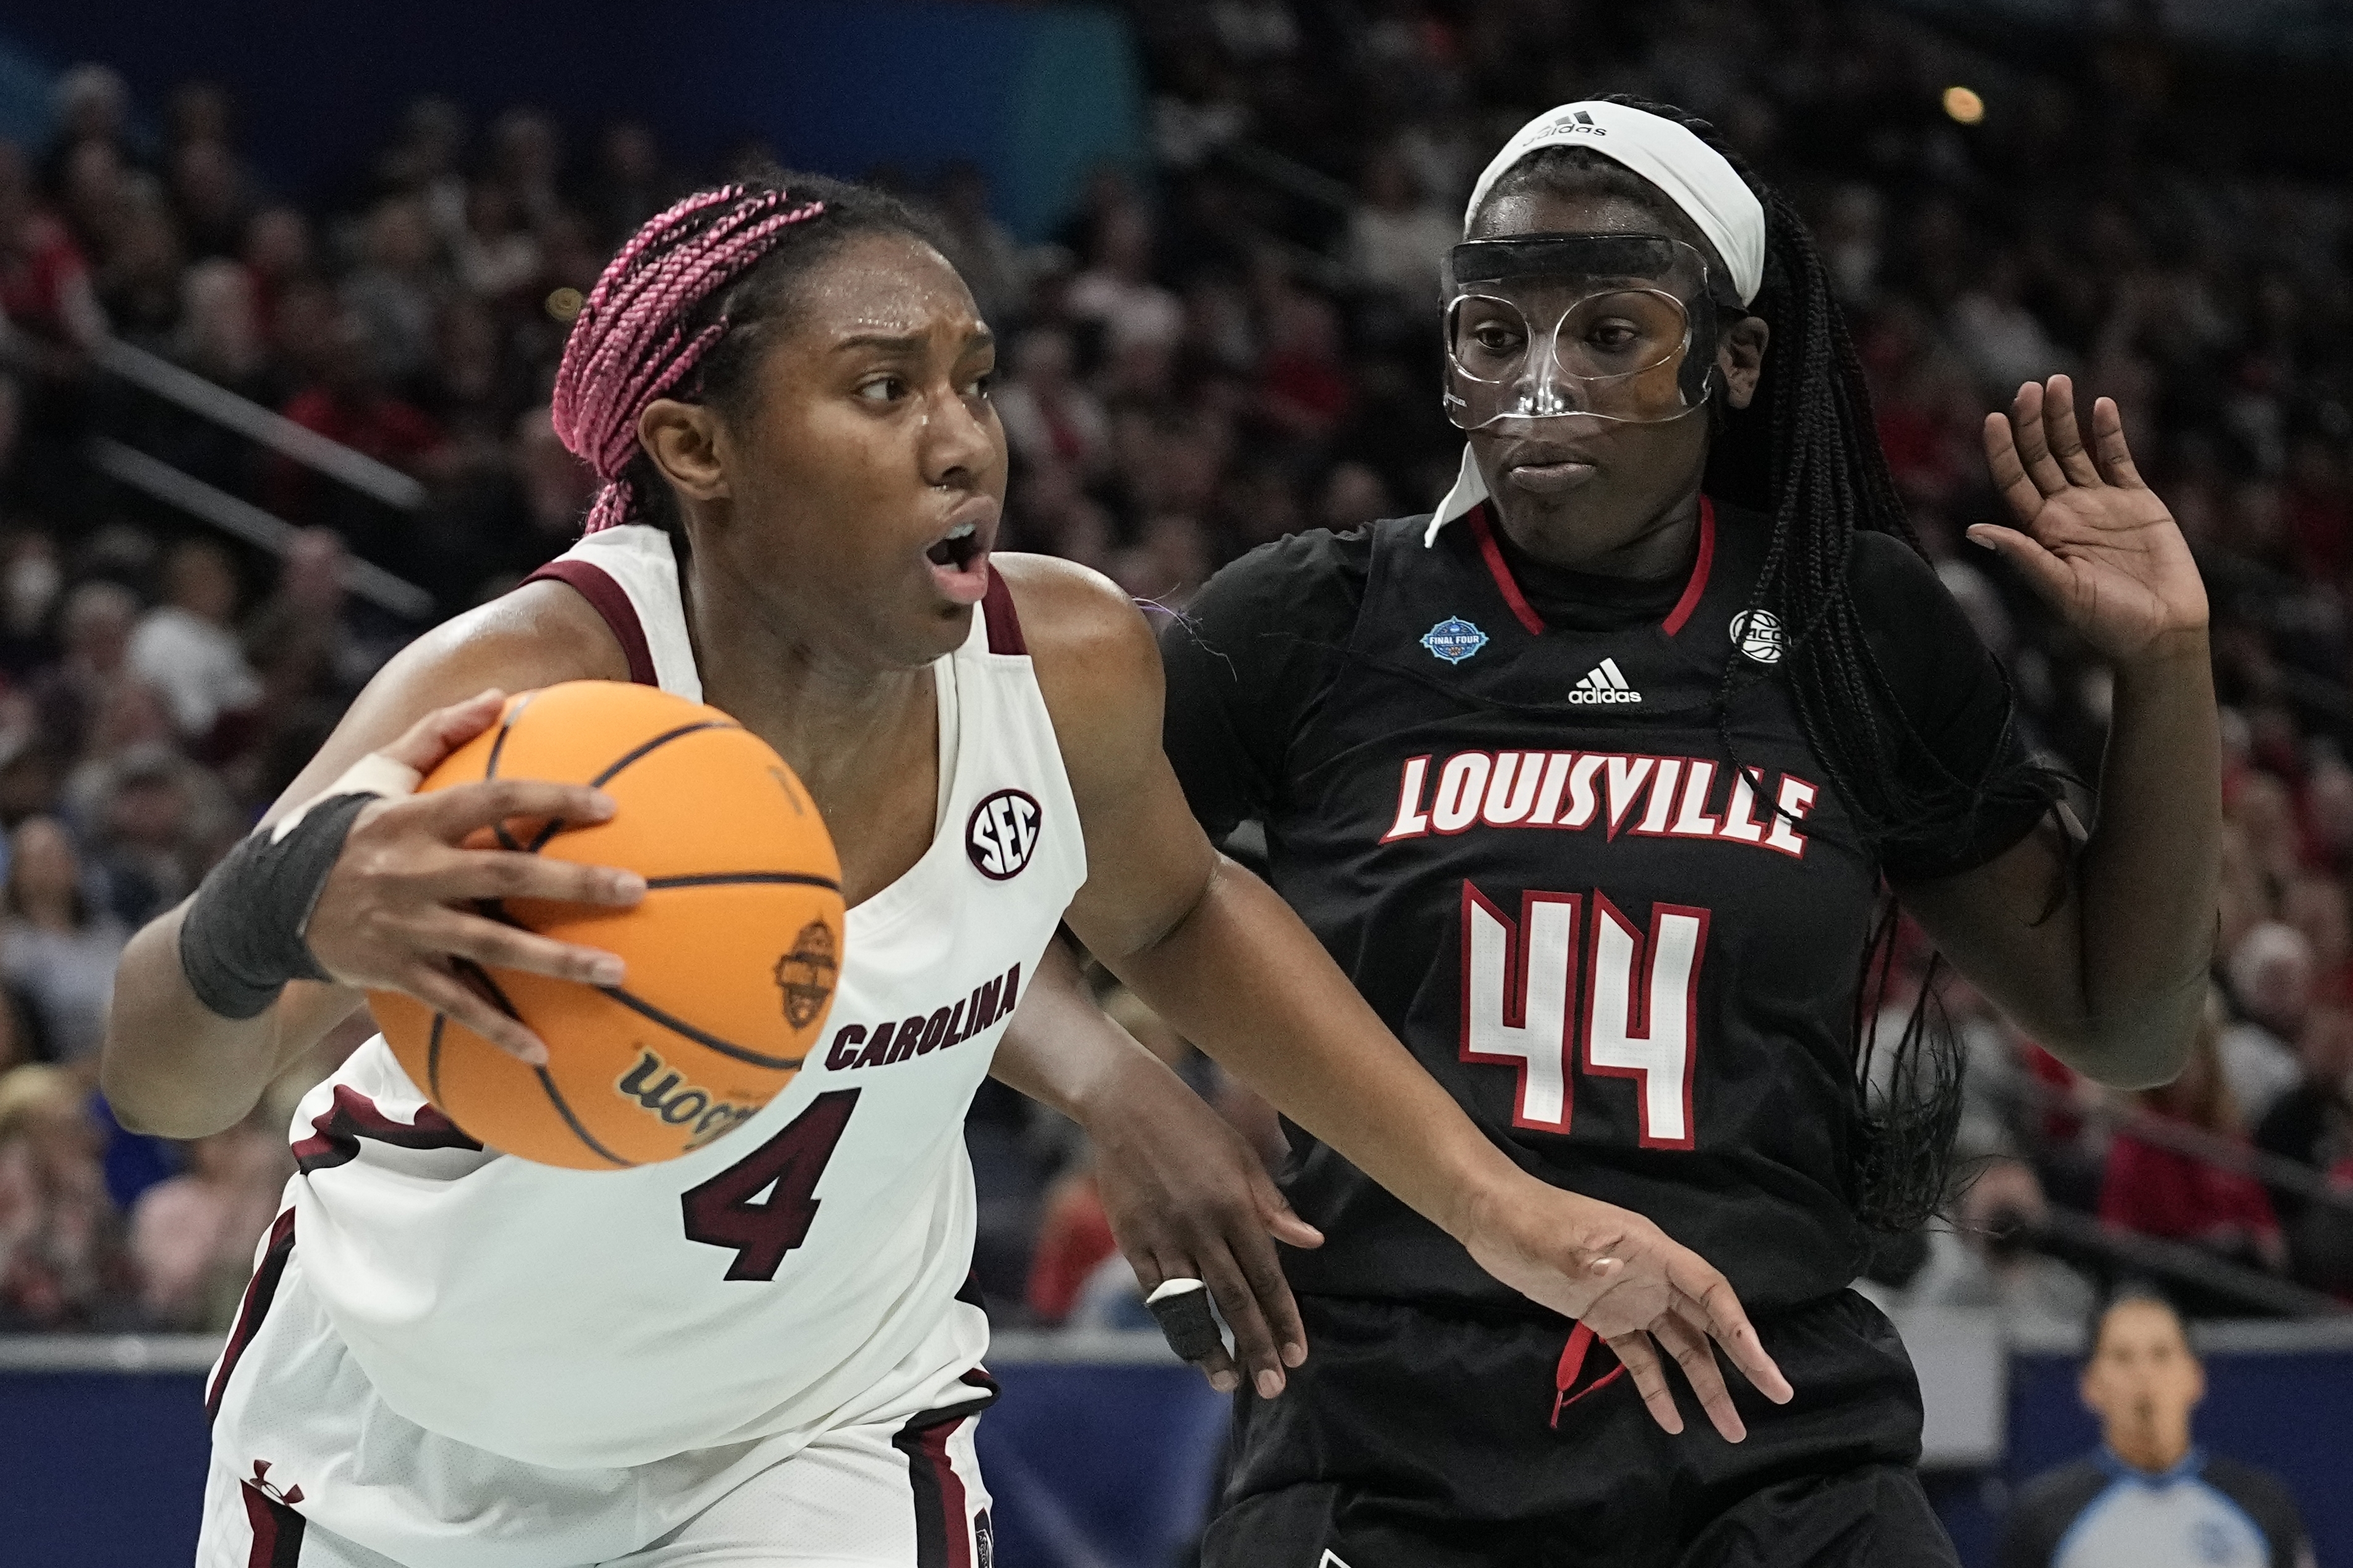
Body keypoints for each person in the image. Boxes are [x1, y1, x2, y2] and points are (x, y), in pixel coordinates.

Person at [100, 174, 1786, 1568]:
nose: (966, 439)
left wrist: (1512, 1214)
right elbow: (168, 1075)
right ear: (698, 453)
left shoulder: (1061, 662)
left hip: (808, 1430)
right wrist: (276, 906)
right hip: (405, 1441)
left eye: (974, 379)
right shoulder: (527, 700)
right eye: (884, 389)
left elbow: (1178, 907)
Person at [1141, 98, 2219, 1566]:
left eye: (1607, 333)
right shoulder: (1313, 618)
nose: (1538, 384)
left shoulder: (1855, 626)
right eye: (1492, 331)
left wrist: (2165, 667)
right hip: (1391, 1429)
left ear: (1738, 356)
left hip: (1770, 1430)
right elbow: (1024, 872)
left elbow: (2127, 1022)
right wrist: (1129, 1106)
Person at [1996, 1291, 2313, 1568]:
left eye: (2161, 1354)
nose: (2144, 1375)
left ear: (2195, 1376)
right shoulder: (2042, 1517)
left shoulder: (2263, 1506)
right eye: (2122, 1357)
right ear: (2090, 1385)